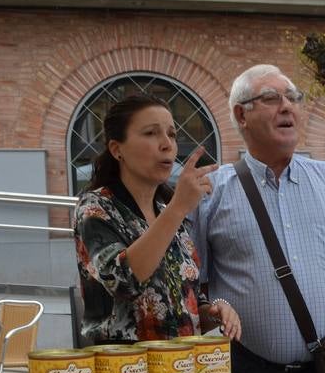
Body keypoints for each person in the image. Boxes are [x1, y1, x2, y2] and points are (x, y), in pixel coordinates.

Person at [191, 65, 325, 373]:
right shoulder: (212, 192)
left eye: (293, 98)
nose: (287, 106)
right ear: (240, 115)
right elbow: (193, 284)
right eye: (271, 98)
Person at [73, 94, 241, 344]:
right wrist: (178, 208)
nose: (167, 144)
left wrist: (215, 313)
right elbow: (123, 282)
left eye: (172, 134)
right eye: (151, 133)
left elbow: (189, 300)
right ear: (117, 149)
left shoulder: (167, 210)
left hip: (180, 370)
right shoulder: (96, 207)